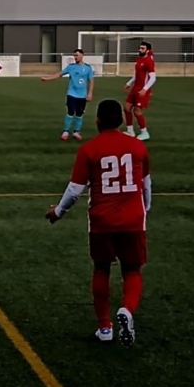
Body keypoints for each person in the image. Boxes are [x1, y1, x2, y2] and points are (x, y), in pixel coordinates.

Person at [45, 99, 151, 347]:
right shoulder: (137, 148)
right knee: (132, 270)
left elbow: (74, 191)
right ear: (121, 120)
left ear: (98, 121)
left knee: (102, 268)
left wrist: (57, 213)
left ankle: (104, 327)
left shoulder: (89, 150)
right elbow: (147, 185)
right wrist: (144, 211)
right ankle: (126, 310)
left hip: (102, 219)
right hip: (133, 218)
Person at [40, 48, 95, 141]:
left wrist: (90, 93)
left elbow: (91, 81)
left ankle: (76, 132)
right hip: (72, 94)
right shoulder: (71, 67)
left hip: (82, 95)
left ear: (82, 55)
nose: (75, 57)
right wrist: (47, 78)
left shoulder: (88, 68)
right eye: (74, 55)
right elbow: (59, 74)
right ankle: (65, 131)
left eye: (77, 55)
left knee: (79, 114)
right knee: (70, 112)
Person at [124, 41, 156, 141]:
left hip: (142, 90)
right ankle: (130, 131)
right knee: (127, 108)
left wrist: (145, 89)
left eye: (142, 48)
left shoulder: (149, 61)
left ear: (148, 50)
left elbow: (153, 78)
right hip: (135, 88)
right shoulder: (138, 59)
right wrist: (129, 83)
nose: (140, 50)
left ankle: (144, 132)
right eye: (140, 48)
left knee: (137, 111)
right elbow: (137, 74)